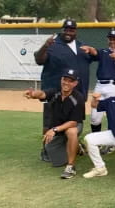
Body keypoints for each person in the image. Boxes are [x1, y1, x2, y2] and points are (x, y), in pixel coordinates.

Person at [34, 19, 93, 160]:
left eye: (71, 30)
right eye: (65, 29)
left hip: (76, 92)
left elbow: (92, 59)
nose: (68, 32)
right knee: (49, 122)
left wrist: (93, 51)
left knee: (74, 121)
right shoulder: (53, 45)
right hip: (54, 91)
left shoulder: (81, 46)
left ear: (75, 31)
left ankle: (73, 144)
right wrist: (45, 46)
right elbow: (39, 60)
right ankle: (46, 150)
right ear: (62, 30)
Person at [23, 68, 85, 179]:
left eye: (70, 81)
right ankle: (77, 147)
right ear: (61, 79)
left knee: (71, 132)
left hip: (72, 125)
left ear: (75, 83)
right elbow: (42, 94)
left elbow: (73, 122)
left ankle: (71, 167)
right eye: (64, 79)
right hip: (57, 126)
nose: (66, 83)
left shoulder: (78, 98)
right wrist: (33, 94)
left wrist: (54, 130)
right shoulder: (56, 91)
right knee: (55, 158)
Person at [80, 29, 115, 133]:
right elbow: (95, 52)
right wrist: (90, 48)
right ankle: (97, 140)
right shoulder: (104, 52)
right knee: (95, 118)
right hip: (100, 86)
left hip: (114, 86)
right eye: (110, 39)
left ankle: (110, 143)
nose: (112, 41)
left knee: (112, 116)